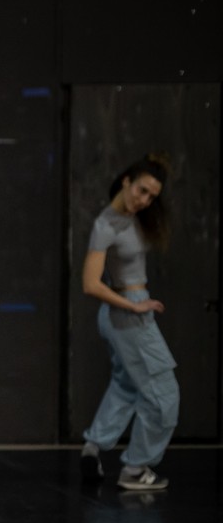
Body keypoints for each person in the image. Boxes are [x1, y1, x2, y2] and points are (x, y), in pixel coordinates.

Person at [80, 154, 178, 491]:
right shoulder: (106, 224)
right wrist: (135, 306)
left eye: (152, 196)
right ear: (126, 181)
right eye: (141, 190)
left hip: (122, 314)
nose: (145, 200)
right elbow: (90, 284)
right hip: (127, 312)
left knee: (126, 384)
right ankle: (135, 470)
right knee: (164, 393)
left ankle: (93, 447)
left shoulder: (131, 218)